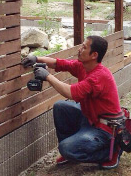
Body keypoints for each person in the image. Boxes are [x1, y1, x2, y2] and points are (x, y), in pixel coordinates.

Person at [21, 36, 122, 169]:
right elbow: (59, 63)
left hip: (106, 129)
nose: (80, 49)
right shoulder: (83, 66)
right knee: (60, 107)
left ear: (94, 55)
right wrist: (36, 58)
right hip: (91, 119)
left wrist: (47, 76)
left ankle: (109, 153)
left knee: (66, 148)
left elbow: (70, 93)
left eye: (84, 47)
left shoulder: (98, 76)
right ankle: (71, 153)